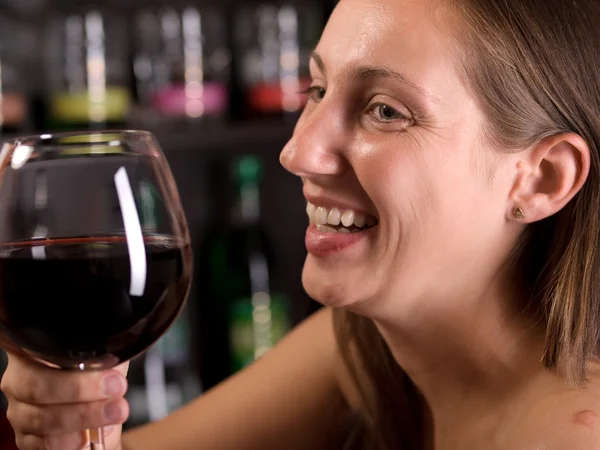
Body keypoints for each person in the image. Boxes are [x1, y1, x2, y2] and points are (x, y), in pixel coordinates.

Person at [3, 0, 600, 448]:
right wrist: (71, 431)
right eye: (317, 88)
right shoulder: (366, 346)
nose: (298, 151)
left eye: (385, 110)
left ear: (540, 179)